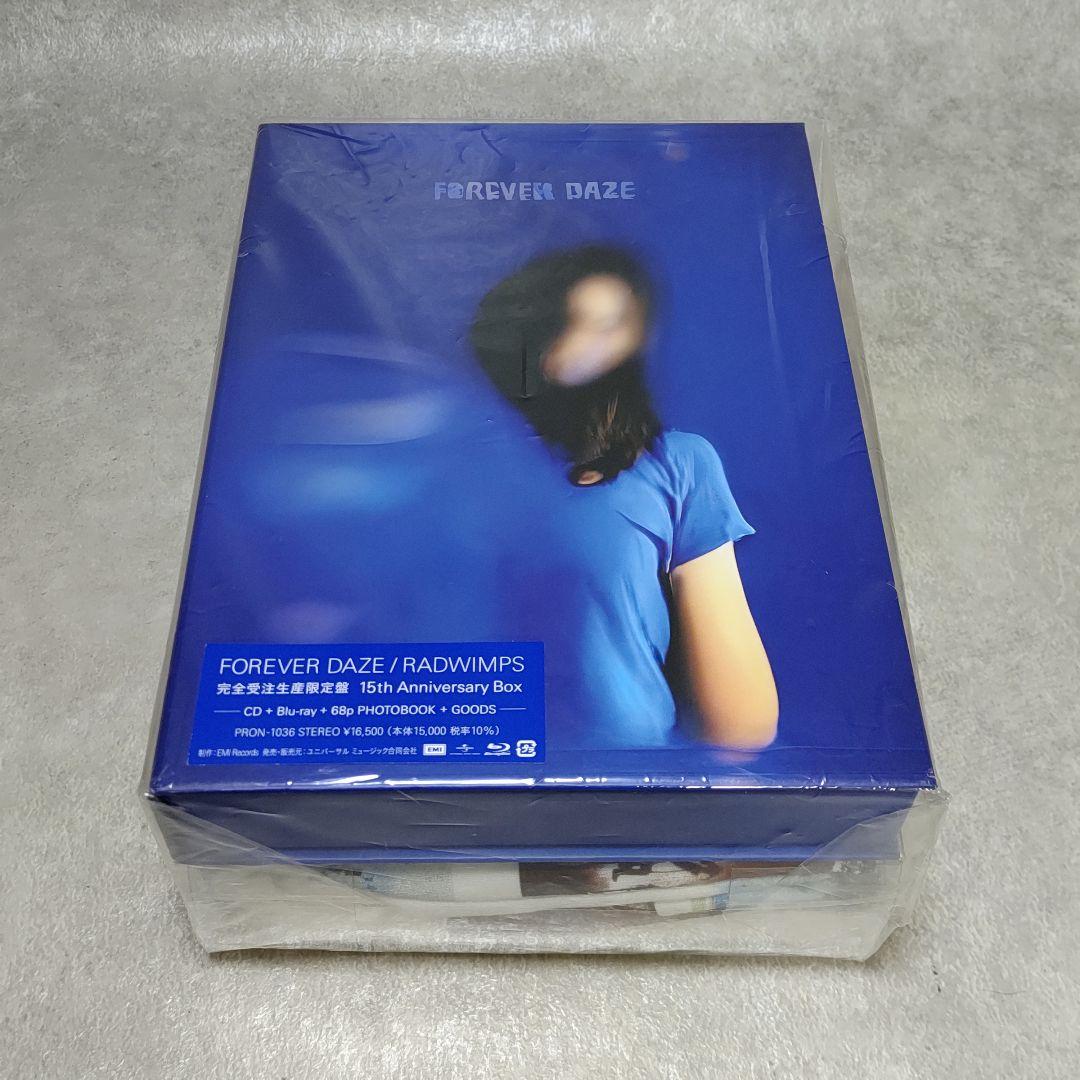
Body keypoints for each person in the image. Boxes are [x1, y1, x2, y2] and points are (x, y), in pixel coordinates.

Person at [471, 246, 778, 750]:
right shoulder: (461, 468)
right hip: (471, 760)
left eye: (606, 325)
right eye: (565, 320)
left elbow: (742, 724)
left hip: (627, 771)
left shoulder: (677, 462)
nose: (579, 344)